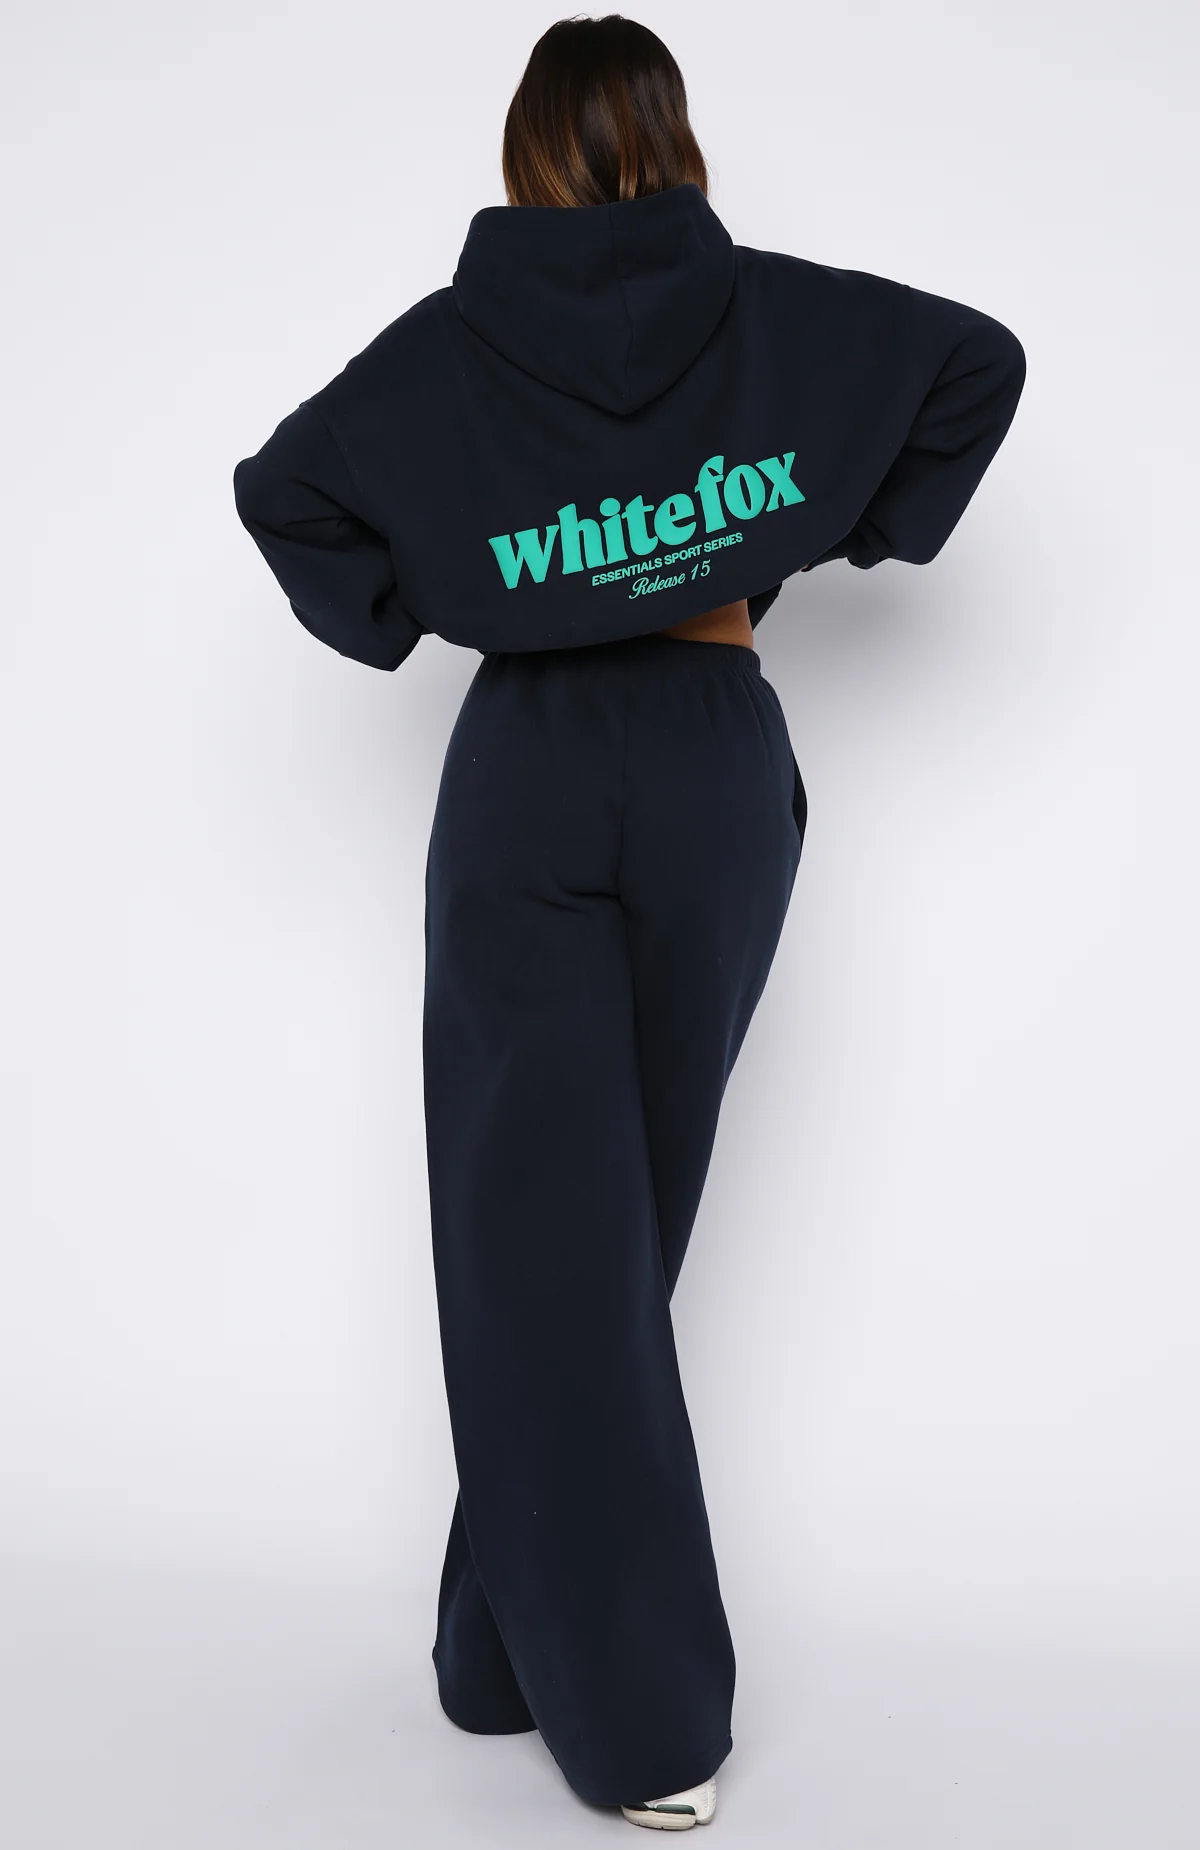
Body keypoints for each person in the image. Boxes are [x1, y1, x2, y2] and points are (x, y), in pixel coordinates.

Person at [232, 14, 1026, 1830]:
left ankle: (561, 1674)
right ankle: (558, 1678)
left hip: (527, 758)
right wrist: (808, 537)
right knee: (597, 1232)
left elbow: (287, 491)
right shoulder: (766, 313)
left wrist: (421, 602)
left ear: (526, 155)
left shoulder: (458, 345)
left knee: (556, 1235)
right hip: (710, 747)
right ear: (676, 138)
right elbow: (974, 363)